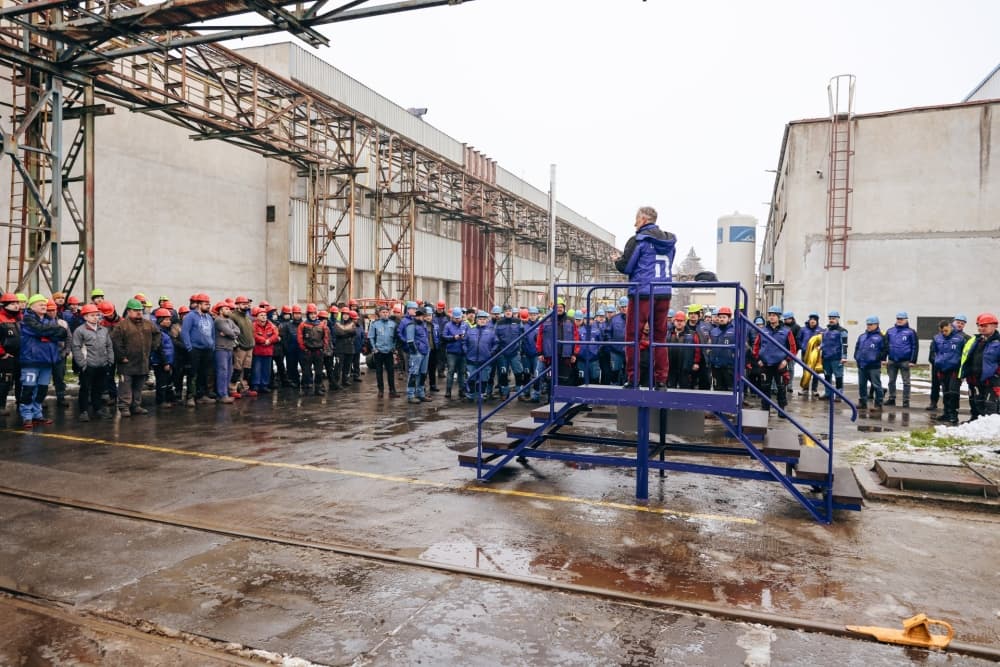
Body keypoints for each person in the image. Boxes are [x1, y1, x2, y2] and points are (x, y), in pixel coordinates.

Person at [613, 206, 676, 388]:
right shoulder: (669, 242)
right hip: (664, 292)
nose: (635, 223)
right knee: (660, 337)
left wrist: (617, 260)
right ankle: (661, 380)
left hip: (642, 292)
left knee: (633, 336)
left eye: (636, 219)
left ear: (643, 219)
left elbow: (626, 267)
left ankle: (633, 379)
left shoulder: (638, 240)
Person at [18, 294, 67, 428]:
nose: (44, 306)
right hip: (31, 360)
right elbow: (39, 330)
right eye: (40, 304)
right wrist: (52, 332)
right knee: (28, 389)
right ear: (32, 306)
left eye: (45, 304)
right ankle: (27, 416)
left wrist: (47, 333)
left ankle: (37, 414)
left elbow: (62, 334)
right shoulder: (27, 319)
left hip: (47, 361)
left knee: (42, 389)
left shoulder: (48, 321)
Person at [110, 298, 161, 416]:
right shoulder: (121, 326)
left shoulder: (148, 324)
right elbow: (116, 343)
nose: (139, 313)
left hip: (142, 361)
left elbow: (157, 334)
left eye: (140, 310)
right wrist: (121, 356)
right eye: (136, 310)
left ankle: (136, 405)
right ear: (129, 311)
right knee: (125, 385)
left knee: (138, 385)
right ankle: (124, 407)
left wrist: (153, 347)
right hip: (126, 362)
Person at [71, 303, 114, 421]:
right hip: (88, 365)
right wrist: (82, 363)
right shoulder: (80, 331)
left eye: (97, 315)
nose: (95, 317)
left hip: (102, 364)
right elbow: (76, 347)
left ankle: (98, 409)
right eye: (92, 315)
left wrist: (110, 360)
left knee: (98, 388)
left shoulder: (103, 330)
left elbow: (109, 345)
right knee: (85, 388)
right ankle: (83, 411)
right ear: (85, 317)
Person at [753, 306, 797, 415]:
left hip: (780, 365)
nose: (771, 317)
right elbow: (756, 346)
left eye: (774, 315)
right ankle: (765, 410)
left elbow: (792, 348)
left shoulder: (787, 331)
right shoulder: (762, 331)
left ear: (778, 317)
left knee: (781, 388)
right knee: (765, 388)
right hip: (765, 364)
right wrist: (758, 359)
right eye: (770, 315)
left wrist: (786, 361)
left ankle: (781, 410)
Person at [959, 313, 1000, 421]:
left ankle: (991, 426)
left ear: (995, 326)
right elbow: (967, 357)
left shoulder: (998, 342)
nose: (981, 328)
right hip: (975, 379)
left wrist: (996, 375)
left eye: (985, 326)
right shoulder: (975, 341)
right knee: (976, 403)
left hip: (991, 380)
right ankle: (975, 423)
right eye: (979, 325)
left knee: (990, 405)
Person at [181, 293, 215, 405]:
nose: (208, 306)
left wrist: (212, 345)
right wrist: (189, 347)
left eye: (209, 304)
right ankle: (190, 396)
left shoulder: (209, 317)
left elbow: (212, 333)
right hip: (195, 349)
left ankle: (202, 395)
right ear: (199, 305)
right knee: (193, 373)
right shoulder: (190, 316)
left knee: (204, 373)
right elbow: (185, 332)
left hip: (207, 349)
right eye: (206, 304)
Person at [884, 311, 919, 407]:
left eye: (901, 319)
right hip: (892, 360)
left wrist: (913, 360)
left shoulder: (911, 332)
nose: (899, 320)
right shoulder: (890, 331)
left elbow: (915, 346)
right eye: (898, 319)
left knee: (906, 382)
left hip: (905, 361)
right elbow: (885, 346)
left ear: (906, 320)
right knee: (891, 381)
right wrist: (884, 358)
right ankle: (892, 398)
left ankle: (906, 401)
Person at [932, 319, 963, 425]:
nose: (944, 333)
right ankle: (946, 413)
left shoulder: (960, 339)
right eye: (942, 331)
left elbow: (964, 354)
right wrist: (937, 363)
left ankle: (953, 414)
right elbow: (934, 352)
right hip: (942, 369)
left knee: (953, 392)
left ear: (950, 327)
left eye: (946, 330)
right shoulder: (937, 338)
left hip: (954, 369)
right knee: (945, 392)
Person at [399, 301, 430, 403]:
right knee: (413, 373)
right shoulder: (411, 325)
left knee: (423, 374)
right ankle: (411, 395)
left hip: (425, 352)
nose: (423, 318)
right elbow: (410, 341)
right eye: (422, 316)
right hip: (417, 353)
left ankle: (421, 394)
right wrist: (415, 352)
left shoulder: (423, 325)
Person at [854, 316, 887, 410]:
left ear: (877, 325)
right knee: (862, 385)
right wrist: (857, 357)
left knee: (876, 385)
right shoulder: (862, 336)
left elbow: (885, 349)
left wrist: (877, 358)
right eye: (868, 324)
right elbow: (857, 348)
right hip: (862, 365)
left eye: (871, 324)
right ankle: (862, 402)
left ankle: (878, 404)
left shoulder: (881, 337)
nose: (869, 326)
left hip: (874, 366)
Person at [464, 311, 498, 401]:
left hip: (485, 360)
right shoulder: (470, 331)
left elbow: (496, 343)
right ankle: (471, 395)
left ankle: (481, 394)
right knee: (471, 379)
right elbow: (464, 342)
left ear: (487, 320)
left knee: (483, 379)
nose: (482, 321)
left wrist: (491, 352)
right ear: (476, 320)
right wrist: (466, 351)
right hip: (471, 360)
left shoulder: (491, 332)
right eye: (480, 319)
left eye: (484, 319)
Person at [368, 305, 399, 398]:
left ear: (389, 313)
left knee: (391, 371)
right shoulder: (375, 324)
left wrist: (394, 347)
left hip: (389, 351)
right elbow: (371, 337)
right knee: (379, 372)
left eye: (386, 312)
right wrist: (374, 348)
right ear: (379, 313)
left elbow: (396, 338)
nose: (385, 314)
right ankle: (380, 390)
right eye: (383, 312)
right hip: (379, 351)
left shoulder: (393, 324)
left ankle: (392, 390)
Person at [212, 301, 240, 403]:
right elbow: (231, 333)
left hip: (229, 348)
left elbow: (238, 331)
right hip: (221, 349)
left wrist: (230, 333)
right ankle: (222, 395)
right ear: (220, 311)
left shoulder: (229, 320)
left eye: (229, 309)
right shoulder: (218, 321)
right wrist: (231, 333)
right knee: (222, 372)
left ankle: (225, 393)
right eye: (226, 309)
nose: (229, 311)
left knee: (229, 372)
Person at [494, 304, 524, 398]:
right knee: (503, 374)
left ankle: (520, 393)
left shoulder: (518, 321)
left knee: (518, 373)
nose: (508, 312)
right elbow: (495, 337)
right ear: (503, 312)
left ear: (512, 312)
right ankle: (504, 393)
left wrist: (519, 348)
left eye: (509, 311)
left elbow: (522, 335)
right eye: (506, 311)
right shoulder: (499, 323)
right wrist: (499, 349)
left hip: (515, 353)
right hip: (503, 353)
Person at [0, 292, 22, 416]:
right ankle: (1, 406)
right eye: (13, 303)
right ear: (5, 305)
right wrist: (2, 354)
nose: (16, 305)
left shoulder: (18, 318)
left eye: (17, 303)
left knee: (20, 380)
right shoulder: (0, 318)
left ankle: (20, 403)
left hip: (19, 355)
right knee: (5, 382)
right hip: (6, 357)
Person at [298, 303, 328, 395]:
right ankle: (305, 389)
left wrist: (324, 347)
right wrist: (304, 348)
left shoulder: (322, 325)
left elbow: (326, 337)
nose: (313, 315)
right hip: (308, 351)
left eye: (314, 313)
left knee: (319, 372)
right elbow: (300, 338)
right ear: (308, 314)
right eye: (311, 314)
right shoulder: (303, 325)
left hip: (318, 351)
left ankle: (318, 388)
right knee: (306, 372)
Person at [230, 295, 255, 397]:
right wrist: (236, 344)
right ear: (237, 305)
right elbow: (231, 331)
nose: (246, 306)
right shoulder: (233, 317)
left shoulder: (247, 317)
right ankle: (232, 389)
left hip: (249, 347)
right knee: (237, 369)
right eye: (243, 304)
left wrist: (252, 343)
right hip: (240, 347)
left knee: (247, 369)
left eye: (246, 304)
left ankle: (245, 388)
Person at [666, 311, 699, 389]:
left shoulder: (693, 334)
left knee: (685, 388)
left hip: (686, 367)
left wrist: (696, 362)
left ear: (685, 322)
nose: (679, 323)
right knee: (670, 388)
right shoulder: (668, 334)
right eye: (677, 320)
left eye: (681, 321)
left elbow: (697, 349)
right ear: (674, 321)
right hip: (671, 366)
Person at [151, 308, 176, 407]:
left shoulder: (166, 331)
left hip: (168, 361)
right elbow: (159, 349)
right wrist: (165, 363)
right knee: (162, 382)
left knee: (168, 381)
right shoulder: (158, 333)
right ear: (160, 320)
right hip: (160, 362)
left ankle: (168, 398)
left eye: (169, 319)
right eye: (166, 319)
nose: (169, 321)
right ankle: (161, 401)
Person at [820, 311, 848, 399]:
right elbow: (823, 343)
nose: (831, 320)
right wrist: (819, 348)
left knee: (838, 377)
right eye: (830, 318)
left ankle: (839, 395)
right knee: (827, 376)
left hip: (836, 358)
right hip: (826, 358)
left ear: (837, 319)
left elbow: (844, 345)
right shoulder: (825, 331)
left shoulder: (842, 331)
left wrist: (844, 357)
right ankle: (828, 393)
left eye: (833, 318)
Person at [708, 306, 737, 391]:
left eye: (724, 317)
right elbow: (709, 346)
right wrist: (710, 357)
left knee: (730, 390)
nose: (721, 319)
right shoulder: (713, 331)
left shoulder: (735, 331)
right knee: (718, 390)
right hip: (716, 367)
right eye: (720, 317)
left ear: (729, 318)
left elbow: (742, 348)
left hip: (730, 367)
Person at [251, 306, 278, 395]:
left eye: (265, 315)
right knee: (256, 369)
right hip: (258, 351)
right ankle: (256, 385)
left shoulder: (271, 325)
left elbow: (276, 335)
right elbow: (254, 335)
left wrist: (269, 340)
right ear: (257, 317)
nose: (264, 317)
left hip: (268, 351)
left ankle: (264, 385)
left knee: (266, 369)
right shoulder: (254, 325)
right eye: (261, 315)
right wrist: (264, 341)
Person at [797, 312, 825, 397]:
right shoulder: (803, 329)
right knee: (805, 371)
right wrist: (803, 347)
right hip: (805, 353)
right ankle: (805, 389)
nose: (812, 321)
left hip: (816, 354)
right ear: (809, 320)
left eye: (814, 320)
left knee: (815, 371)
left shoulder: (820, 330)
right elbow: (798, 339)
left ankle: (814, 389)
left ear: (817, 321)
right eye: (811, 319)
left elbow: (823, 341)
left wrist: (819, 348)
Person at [331, 307, 356, 390]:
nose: (345, 316)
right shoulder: (337, 323)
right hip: (340, 348)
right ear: (341, 315)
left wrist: (344, 332)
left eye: (347, 314)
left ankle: (345, 380)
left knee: (347, 366)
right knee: (338, 366)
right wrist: (348, 332)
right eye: (344, 314)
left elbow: (354, 332)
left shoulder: (352, 324)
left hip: (349, 348)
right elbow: (338, 333)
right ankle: (335, 383)